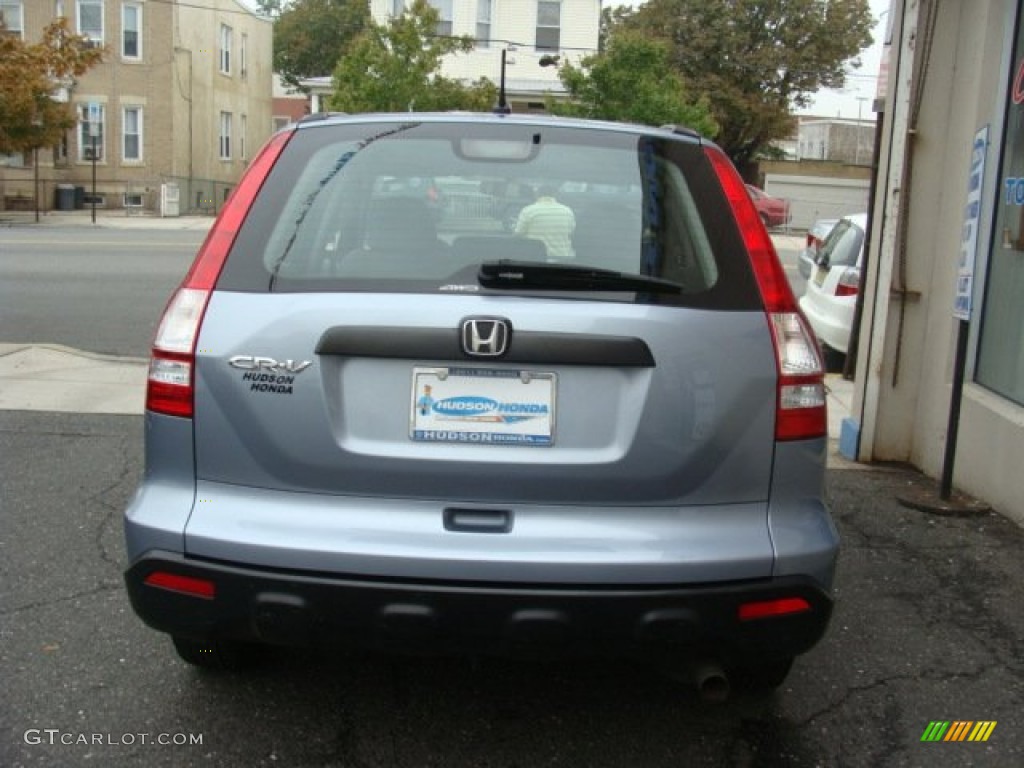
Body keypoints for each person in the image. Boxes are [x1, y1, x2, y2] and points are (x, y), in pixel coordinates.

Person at [514, 184, 576, 260]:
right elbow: (572, 234)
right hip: (562, 260)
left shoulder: (528, 211)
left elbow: (518, 234)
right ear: (555, 195)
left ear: (537, 195)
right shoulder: (567, 211)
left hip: (536, 259)